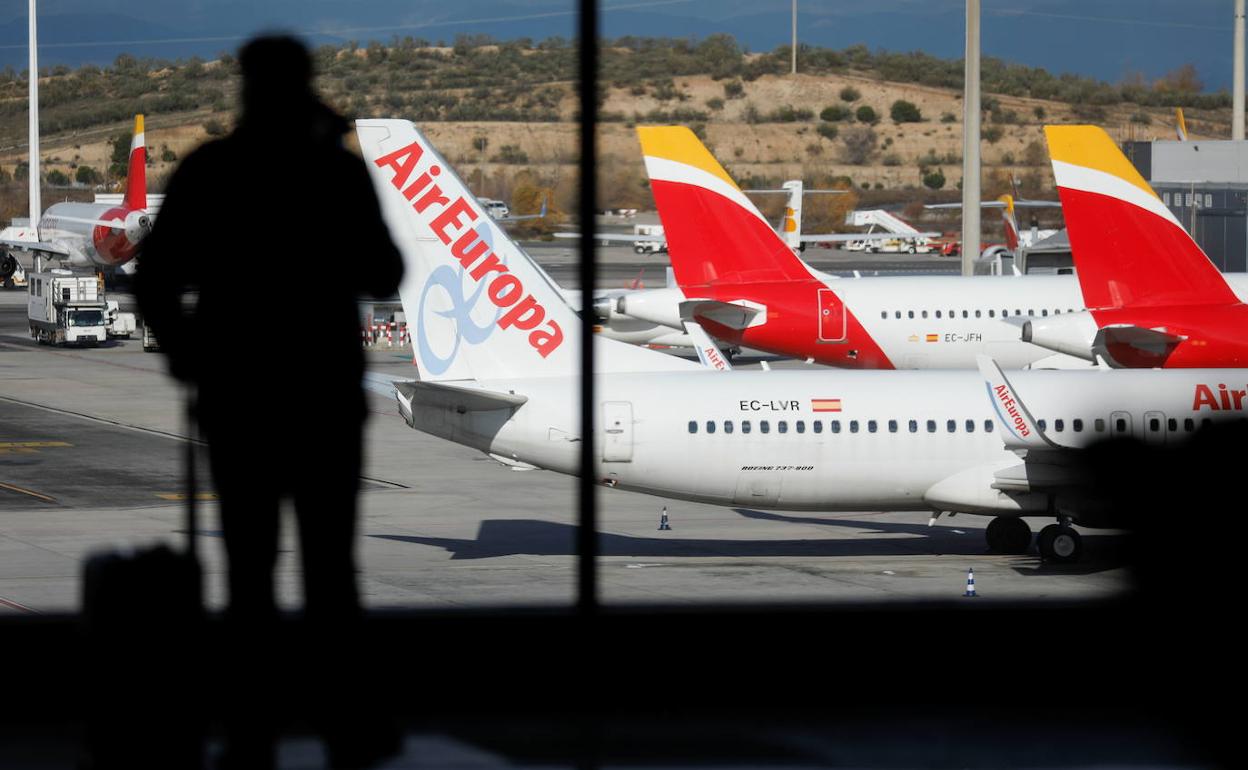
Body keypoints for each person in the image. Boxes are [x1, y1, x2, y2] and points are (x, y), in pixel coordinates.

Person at [135, 34, 403, 768]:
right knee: (330, 572)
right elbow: (384, 272)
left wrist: (187, 352)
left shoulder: (211, 171)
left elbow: (153, 278)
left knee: (249, 574)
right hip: (320, 398)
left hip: (239, 397)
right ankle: (347, 729)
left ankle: (249, 735)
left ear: (244, 88)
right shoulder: (334, 174)